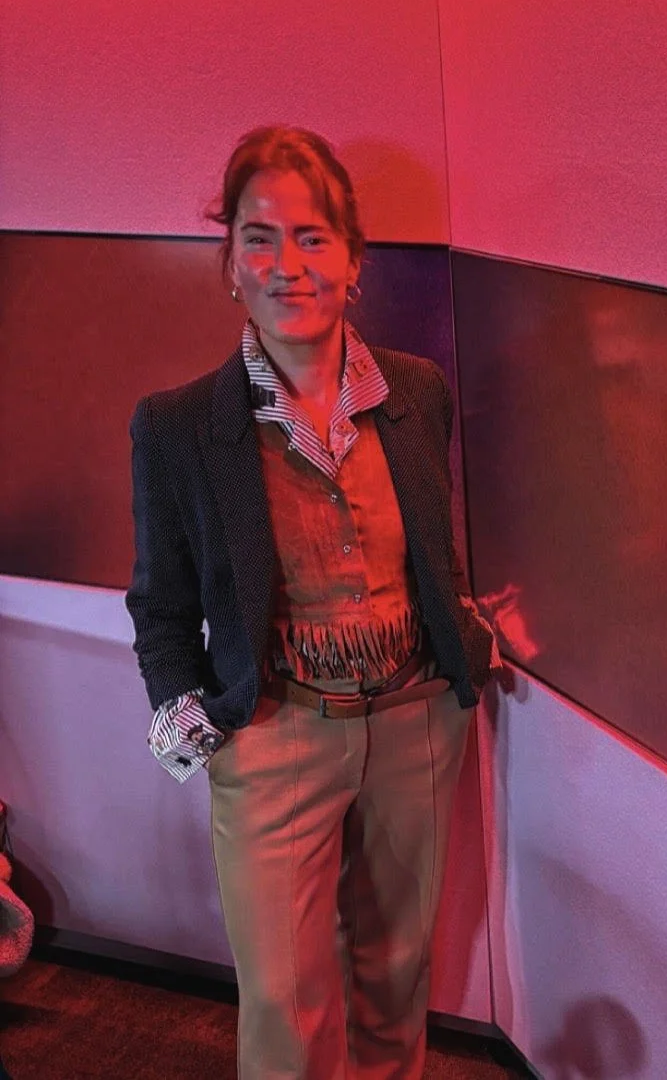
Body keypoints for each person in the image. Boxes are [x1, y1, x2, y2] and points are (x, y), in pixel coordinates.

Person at [125, 125, 496, 1080]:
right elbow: (162, 609)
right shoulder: (175, 427)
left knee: (395, 981)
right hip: (273, 736)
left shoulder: (417, 391)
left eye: (313, 237)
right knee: (286, 1011)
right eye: (259, 237)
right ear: (229, 266)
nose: (287, 264)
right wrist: (188, 720)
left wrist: (471, 633)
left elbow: (435, 553)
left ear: (354, 261)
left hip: (416, 724)